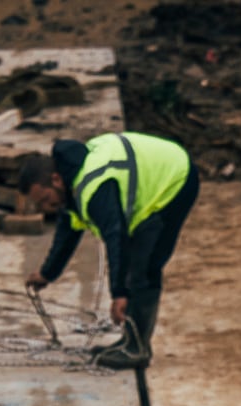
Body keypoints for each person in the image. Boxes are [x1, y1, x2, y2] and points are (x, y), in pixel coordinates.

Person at [18, 131, 200, 369]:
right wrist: (47, 274)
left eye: (45, 199)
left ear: (56, 179)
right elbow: (67, 233)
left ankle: (137, 350)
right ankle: (129, 341)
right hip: (163, 172)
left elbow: (116, 237)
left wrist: (119, 293)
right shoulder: (71, 182)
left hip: (174, 180)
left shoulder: (94, 186)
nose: (45, 207)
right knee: (136, 262)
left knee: (144, 267)